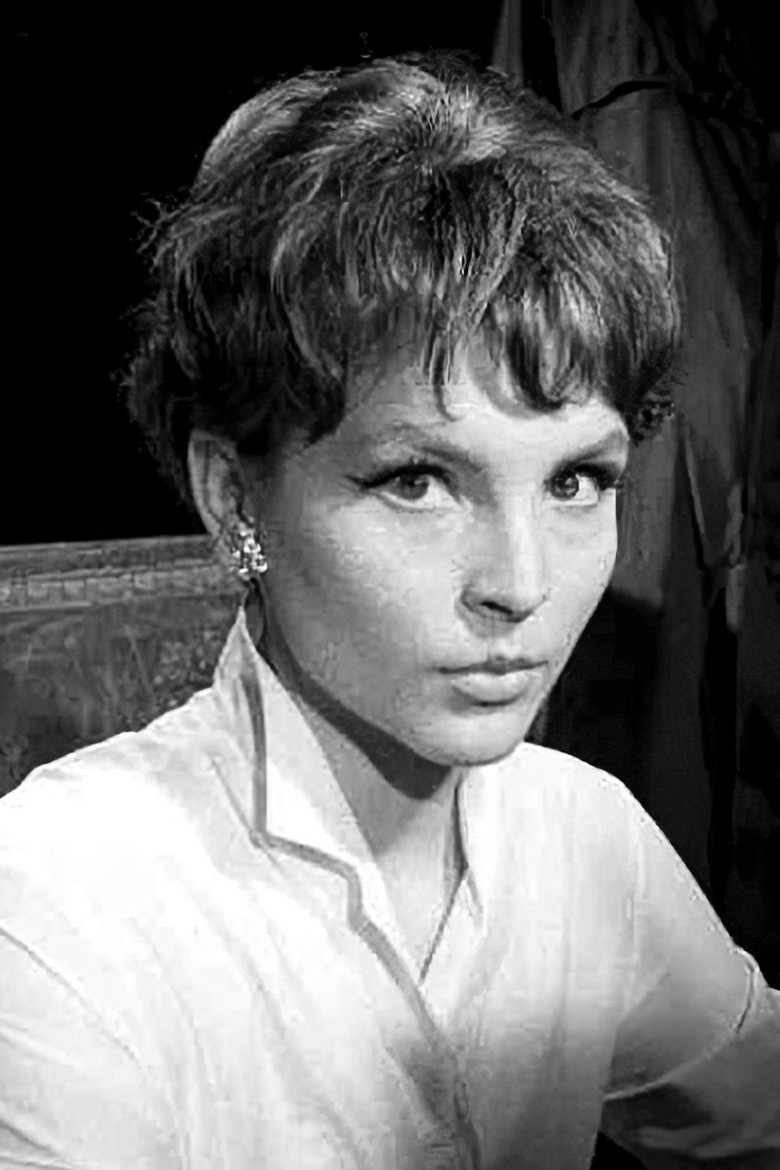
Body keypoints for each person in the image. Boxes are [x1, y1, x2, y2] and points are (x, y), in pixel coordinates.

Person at [0, 51, 777, 1170]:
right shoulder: (56, 905)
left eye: (575, 480)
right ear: (233, 496)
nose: (521, 582)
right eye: (418, 480)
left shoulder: (582, 836)